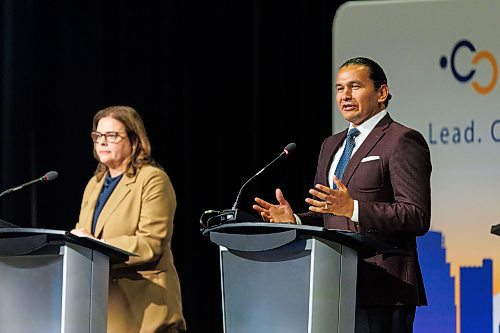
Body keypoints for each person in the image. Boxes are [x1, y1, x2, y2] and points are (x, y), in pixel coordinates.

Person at [253, 57, 431, 333]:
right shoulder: (331, 145)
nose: (345, 95)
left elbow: (416, 216)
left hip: (382, 291)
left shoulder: (402, 140)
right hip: (332, 286)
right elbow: (328, 214)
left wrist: (355, 209)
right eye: (339, 88)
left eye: (355, 86)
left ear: (381, 93)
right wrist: (296, 221)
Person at [71, 106, 187, 333]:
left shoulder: (152, 179)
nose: (102, 142)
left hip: (146, 309)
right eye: (98, 136)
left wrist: (94, 244)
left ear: (134, 141)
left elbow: (150, 244)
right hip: (104, 308)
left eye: (112, 136)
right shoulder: (94, 184)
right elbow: (83, 233)